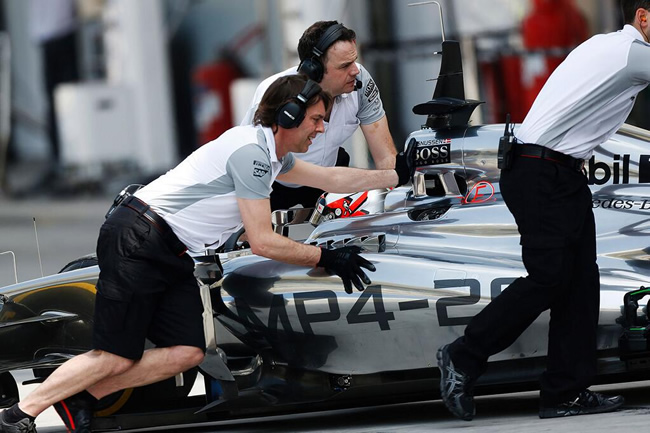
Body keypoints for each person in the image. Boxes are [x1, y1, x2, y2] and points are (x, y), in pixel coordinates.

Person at [0, 74, 415, 433]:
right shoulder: (251, 156)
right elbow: (263, 241)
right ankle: (19, 413)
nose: (322, 130)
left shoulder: (272, 154)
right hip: (141, 239)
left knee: (188, 352)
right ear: (287, 117)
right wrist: (327, 257)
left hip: (172, 249)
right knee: (114, 353)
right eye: (316, 120)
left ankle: (83, 395)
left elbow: (330, 177)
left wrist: (397, 174)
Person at [436, 0, 650, 421]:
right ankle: (463, 355)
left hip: (558, 172)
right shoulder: (631, 54)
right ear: (644, 17)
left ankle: (564, 393)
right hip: (540, 169)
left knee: (580, 283)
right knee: (551, 277)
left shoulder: (606, 47)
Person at [240, 20, 397, 211]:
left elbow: (386, 158)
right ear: (313, 70)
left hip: (328, 177)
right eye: (345, 66)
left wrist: (393, 207)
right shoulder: (274, 94)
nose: (355, 70)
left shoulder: (360, 80)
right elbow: (252, 166)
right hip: (274, 183)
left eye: (355, 61)